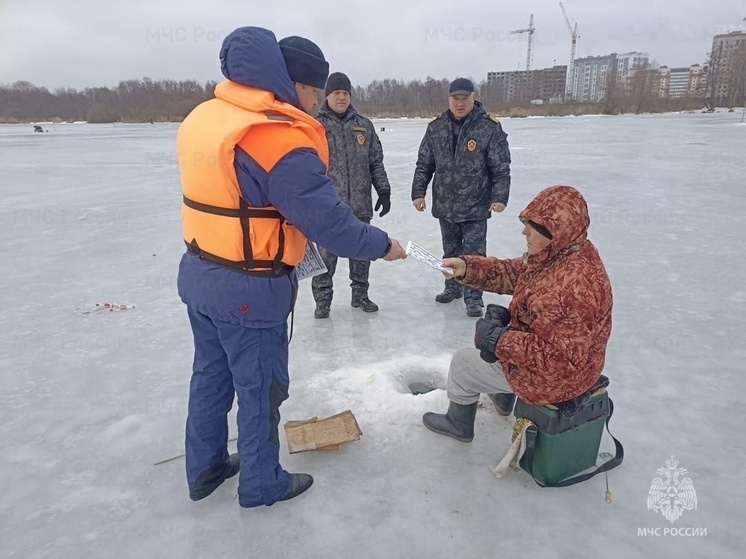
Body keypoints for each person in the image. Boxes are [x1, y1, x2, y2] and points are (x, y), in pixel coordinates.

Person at [176, 26, 406, 508]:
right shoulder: (276, 139)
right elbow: (333, 225)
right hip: (249, 290)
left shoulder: (208, 116)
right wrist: (384, 245)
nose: (316, 100)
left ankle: (205, 468)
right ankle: (261, 484)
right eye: (314, 90)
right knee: (260, 391)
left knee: (210, 378)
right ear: (293, 83)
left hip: (200, 276)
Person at [421, 185, 613, 442]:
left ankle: (458, 424)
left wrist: (499, 340)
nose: (524, 231)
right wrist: (466, 267)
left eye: (532, 226)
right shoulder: (566, 252)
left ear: (554, 232)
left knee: (462, 365)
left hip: (560, 382)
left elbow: (559, 360)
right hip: (577, 366)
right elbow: (514, 273)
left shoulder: (569, 291)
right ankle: (502, 398)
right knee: (504, 331)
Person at [411, 77, 511, 317]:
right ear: (449, 99)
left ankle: (474, 297)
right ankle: (452, 287)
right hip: (446, 204)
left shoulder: (488, 127)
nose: (459, 103)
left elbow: (501, 167)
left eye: (464, 98)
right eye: (455, 98)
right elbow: (425, 163)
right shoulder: (436, 127)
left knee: (475, 255)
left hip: (476, 206)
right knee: (450, 251)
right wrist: (418, 192)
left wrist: (500, 196)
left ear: (473, 98)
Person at [311, 72, 392, 318]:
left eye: (345, 93)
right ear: (328, 95)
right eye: (337, 93)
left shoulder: (364, 125)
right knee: (325, 258)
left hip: (359, 204)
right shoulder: (315, 124)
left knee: (362, 253)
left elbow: (375, 162)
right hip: (328, 206)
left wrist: (384, 190)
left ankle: (360, 295)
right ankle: (322, 302)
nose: (342, 97)